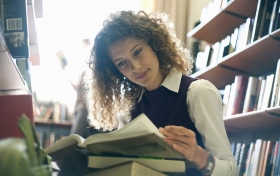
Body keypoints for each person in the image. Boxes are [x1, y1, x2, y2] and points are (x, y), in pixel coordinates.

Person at [85, 11, 237, 176]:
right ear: (116, 72)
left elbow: (231, 171)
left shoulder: (197, 92)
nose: (135, 67)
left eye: (137, 52)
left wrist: (198, 156)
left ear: (154, 45)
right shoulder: (130, 110)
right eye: (122, 63)